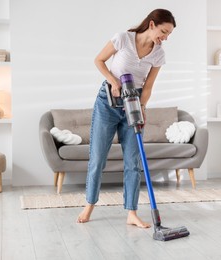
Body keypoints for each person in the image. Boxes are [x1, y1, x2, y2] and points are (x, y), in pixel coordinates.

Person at [77, 9, 176, 228]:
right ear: (152, 24)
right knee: (98, 158)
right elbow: (99, 60)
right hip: (108, 101)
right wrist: (113, 81)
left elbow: (148, 86)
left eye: (168, 34)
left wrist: (142, 107)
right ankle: (89, 205)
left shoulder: (158, 54)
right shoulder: (123, 38)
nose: (165, 37)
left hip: (134, 103)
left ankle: (131, 212)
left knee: (133, 160)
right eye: (163, 31)